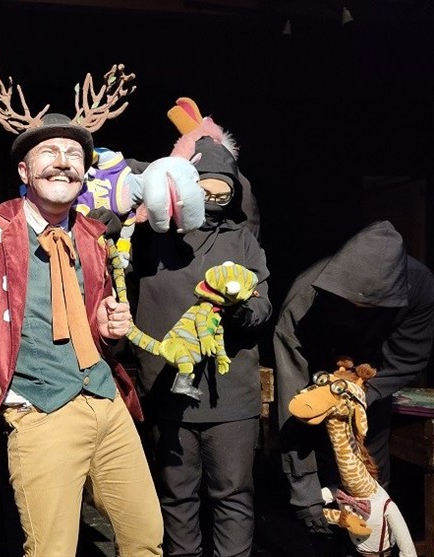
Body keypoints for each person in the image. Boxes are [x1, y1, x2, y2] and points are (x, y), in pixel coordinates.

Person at [0, 113, 195, 556]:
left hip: (107, 404)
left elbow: (82, 324)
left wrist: (105, 330)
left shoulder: (92, 236)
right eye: (48, 152)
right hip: (40, 415)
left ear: (84, 173)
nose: (62, 161)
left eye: (73, 155)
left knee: (145, 539)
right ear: (24, 172)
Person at [129, 132, 271, 557]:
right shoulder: (151, 236)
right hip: (167, 390)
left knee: (233, 494)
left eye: (222, 193)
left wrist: (241, 310)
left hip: (230, 395)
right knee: (176, 495)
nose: (212, 201)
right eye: (203, 191)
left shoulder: (242, 240)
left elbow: (263, 303)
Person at [274, 220, 434, 555]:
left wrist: (361, 394)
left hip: (369, 388)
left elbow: (409, 356)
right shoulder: (303, 300)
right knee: (319, 516)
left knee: (371, 501)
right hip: (315, 394)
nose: (358, 313)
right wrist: (304, 492)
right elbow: (293, 403)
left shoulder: (419, 284)